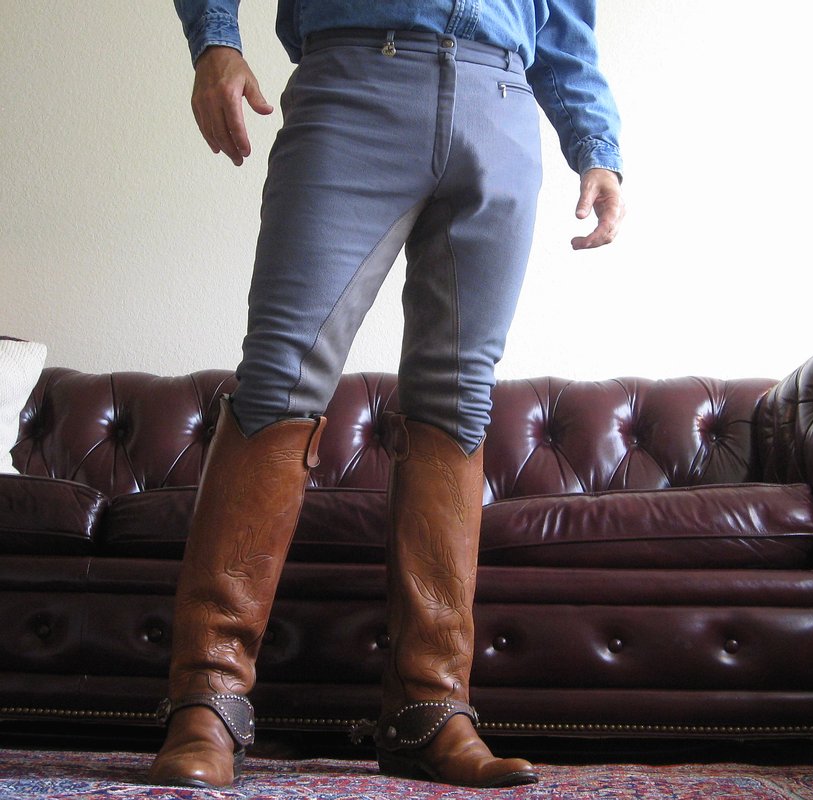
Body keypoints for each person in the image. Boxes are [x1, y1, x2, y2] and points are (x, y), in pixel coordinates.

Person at [149, 0, 624, 790]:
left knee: (458, 402)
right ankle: (207, 700)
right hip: (354, 85)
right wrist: (215, 44)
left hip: (503, 108)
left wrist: (597, 148)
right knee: (279, 380)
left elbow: (566, 30)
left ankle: (430, 710)